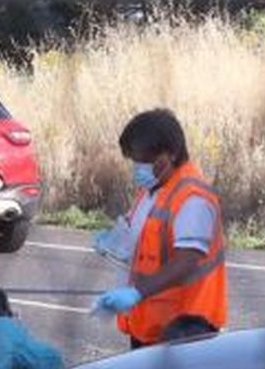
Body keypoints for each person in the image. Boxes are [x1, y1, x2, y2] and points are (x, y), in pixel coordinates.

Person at [91, 108, 228, 348]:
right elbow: (145, 239)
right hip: (152, 327)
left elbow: (187, 260)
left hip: (186, 331)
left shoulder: (192, 198)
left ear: (170, 155)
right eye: (134, 161)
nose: (138, 168)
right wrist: (115, 241)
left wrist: (136, 293)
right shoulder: (154, 189)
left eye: (144, 161)